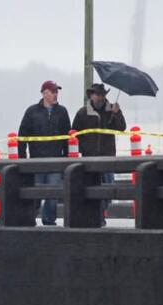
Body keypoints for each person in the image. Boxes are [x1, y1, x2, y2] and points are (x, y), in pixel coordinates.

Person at [18, 80, 71, 225]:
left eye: (56, 92)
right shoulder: (32, 111)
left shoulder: (62, 111)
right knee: (35, 192)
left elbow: (67, 137)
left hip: (56, 160)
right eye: (53, 92)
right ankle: (30, 218)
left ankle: (49, 221)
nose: (56, 95)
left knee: (52, 193)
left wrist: (66, 159)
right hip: (36, 160)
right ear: (44, 93)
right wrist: (22, 159)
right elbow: (22, 135)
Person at [71, 83, 126, 223]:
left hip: (107, 157)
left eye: (102, 95)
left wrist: (117, 114)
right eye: (97, 94)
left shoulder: (112, 110)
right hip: (89, 158)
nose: (100, 97)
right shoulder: (82, 113)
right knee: (92, 190)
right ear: (91, 96)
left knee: (108, 190)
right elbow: (75, 133)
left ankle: (102, 211)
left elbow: (121, 128)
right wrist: (83, 148)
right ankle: (98, 216)